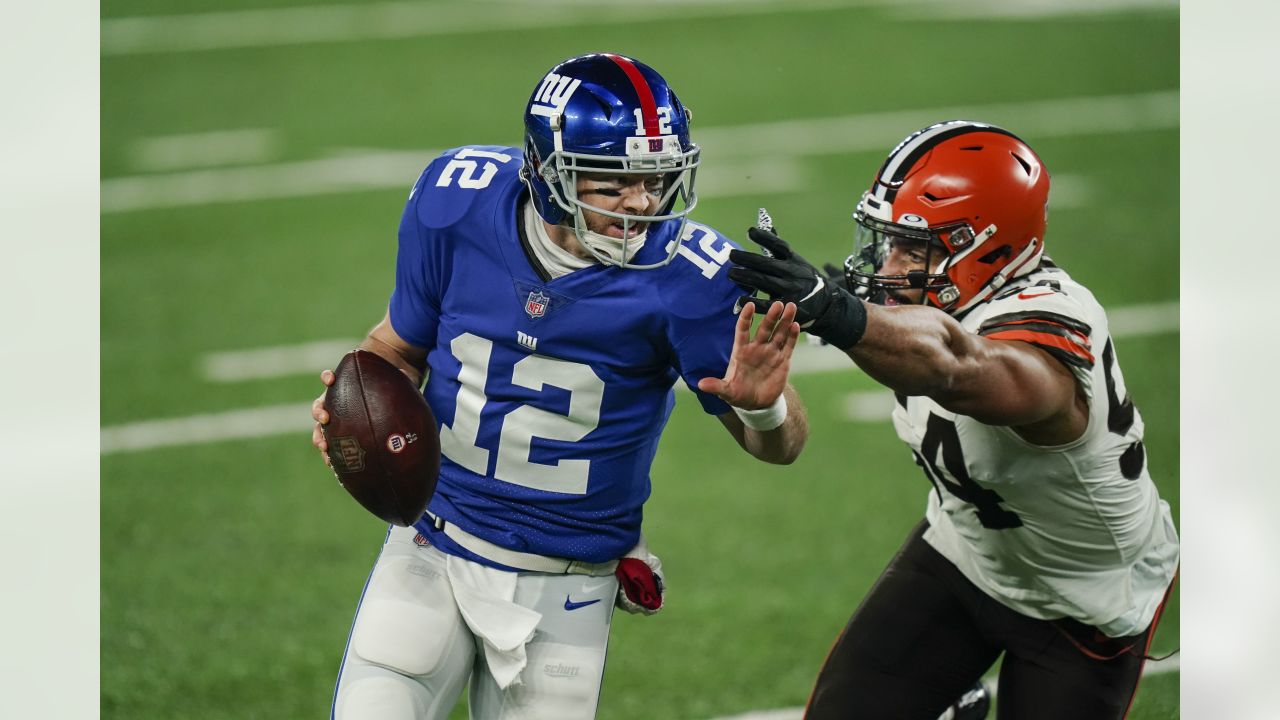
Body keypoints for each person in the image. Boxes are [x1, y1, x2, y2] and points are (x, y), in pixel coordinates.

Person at [310, 53, 808, 720]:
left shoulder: (691, 280)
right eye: (613, 182)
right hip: (433, 542)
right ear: (547, 173)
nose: (641, 203)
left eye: (657, 177)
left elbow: (781, 445)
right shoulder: (456, 204)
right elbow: (394, 348)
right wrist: (357, 403)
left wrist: (766, 406)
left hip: (567, 583)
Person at [728, 120, 1179, 719]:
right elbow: (914, 339)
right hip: (966, 548)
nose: (890, 262)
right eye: (888, 240)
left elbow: (954, 366)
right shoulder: (938, 301)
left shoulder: (1051, 324)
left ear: (983, 247)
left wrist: (838, 313)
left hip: (1086, 595)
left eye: (914, 247)